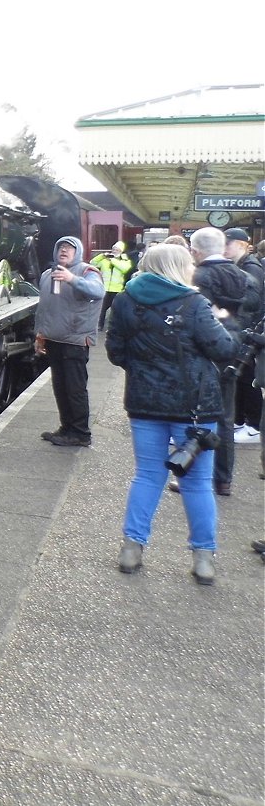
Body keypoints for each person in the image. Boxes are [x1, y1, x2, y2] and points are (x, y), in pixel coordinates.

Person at [105, 244, 237, 585]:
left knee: (147, 475)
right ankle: (203, 558)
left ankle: (131, 549)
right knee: (197, 483)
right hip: (194, 408)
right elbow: (222, 349)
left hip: (144, 403)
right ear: (181, 267)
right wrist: (231, 328)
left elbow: (115, 352)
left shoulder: (124, 300)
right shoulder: (194, 304)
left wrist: (145, 371)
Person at [189, 226, 253, 495]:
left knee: (199, 416)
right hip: (236, 353)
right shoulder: (244, 275)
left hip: (206, 353)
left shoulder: (200, 276)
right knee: (226, 419)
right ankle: (223, 479)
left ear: (195, 251)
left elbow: (199, 319)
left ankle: (196, 476)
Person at [35, 235, 105, 446]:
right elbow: (44, 308)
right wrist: (39, 334)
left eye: (69, 248)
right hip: (54, 339)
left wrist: (71, 279)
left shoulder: (87, 271)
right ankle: (66, 428)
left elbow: (98, 291)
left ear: (78, 252)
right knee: (60, 387)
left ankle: (81, 433)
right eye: (61, 247)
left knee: (75, 389)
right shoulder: (48, 274)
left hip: (75, 340)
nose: (64, 250)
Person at [224, 228, 263, 448]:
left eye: (227, 244)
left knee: (248, 377)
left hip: (247, 330)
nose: (223, 248)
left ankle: (254, 425)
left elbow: (252, 302)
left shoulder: (251, 267)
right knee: (240, 376)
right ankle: (240, 420)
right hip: (242, 329)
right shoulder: (242, 265)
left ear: (240, 244)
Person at [91, 241, 133, 331]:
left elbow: (124, 269)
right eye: (113, 249)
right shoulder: (104, 260)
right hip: (104, 288)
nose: (114, 250)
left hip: (116, 289)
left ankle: (113, 327)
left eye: (117, 249)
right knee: (101, 308)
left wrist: (113, 260)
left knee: (115, 310)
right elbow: (92, 263)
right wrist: (102, 256)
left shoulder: (125, 260)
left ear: (121, 251)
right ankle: (99, 326)